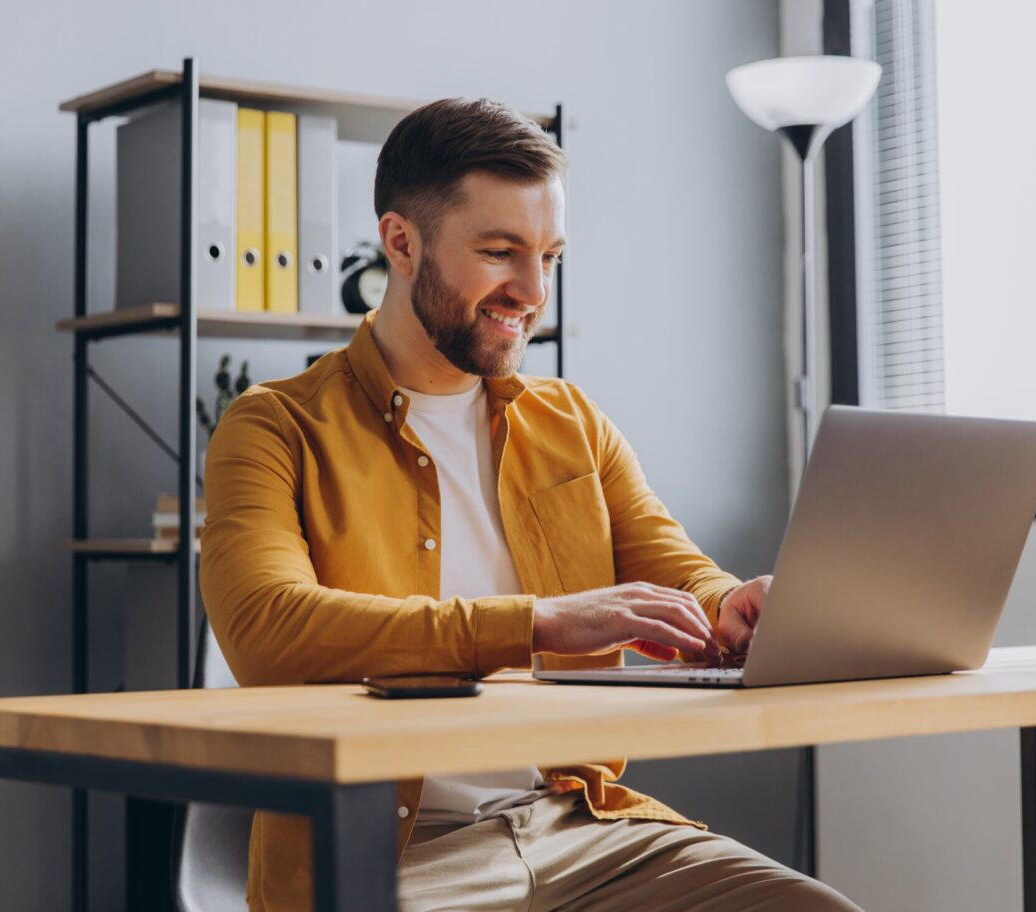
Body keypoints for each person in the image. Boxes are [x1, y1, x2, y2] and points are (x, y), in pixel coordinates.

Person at [200, 96, 862, 912]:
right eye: (500, 251)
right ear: (401, 243)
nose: (531, 290)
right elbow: (269, 630)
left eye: (549, 255)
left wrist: (731, 608)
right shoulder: (274, 427)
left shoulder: (571, 423)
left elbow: (676, 572)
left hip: (580, 824)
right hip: (395, 855)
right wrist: (536, 623)